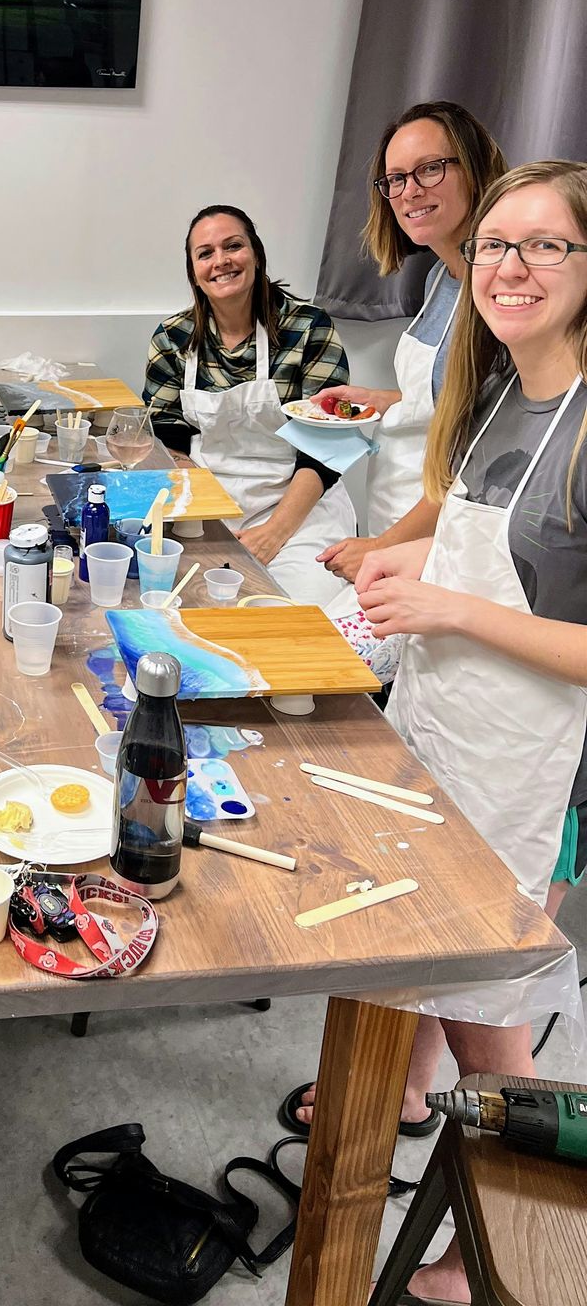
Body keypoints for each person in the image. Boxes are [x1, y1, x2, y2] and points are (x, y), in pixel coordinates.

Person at [288, 162, 587, 1305]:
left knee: (486, 1018)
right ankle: (383, 1131)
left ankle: (512, 1252)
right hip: (447, 724)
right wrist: (399, 566)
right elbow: (480, 544)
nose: (509, 267)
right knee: (415, 948)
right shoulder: (499, 390)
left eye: (544, 245)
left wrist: (449, 607)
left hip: (532, 774)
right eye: (497, 244)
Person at [316, 101, 507, 599]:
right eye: (396, 179)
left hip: (440, 535)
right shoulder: (441, 277)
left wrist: (383, 547)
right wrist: (381, 400)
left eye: (430, 168)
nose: (409, 191)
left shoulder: (500, 297)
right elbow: (451, 399)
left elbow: (479, 460)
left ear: (475, 167)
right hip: (397, 507)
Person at [143, 204, 357, 605]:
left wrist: (274, 533)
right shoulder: (173, 338)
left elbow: (326, 446)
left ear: (256, 254)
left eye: (233, 246)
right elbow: (167, 436)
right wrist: (202, 511)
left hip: (299, 509)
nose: (220, 261)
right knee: (182, 603)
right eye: (205, 253)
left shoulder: (309, 328)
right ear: (193, 272)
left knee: (294, 609)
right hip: (208, 505)